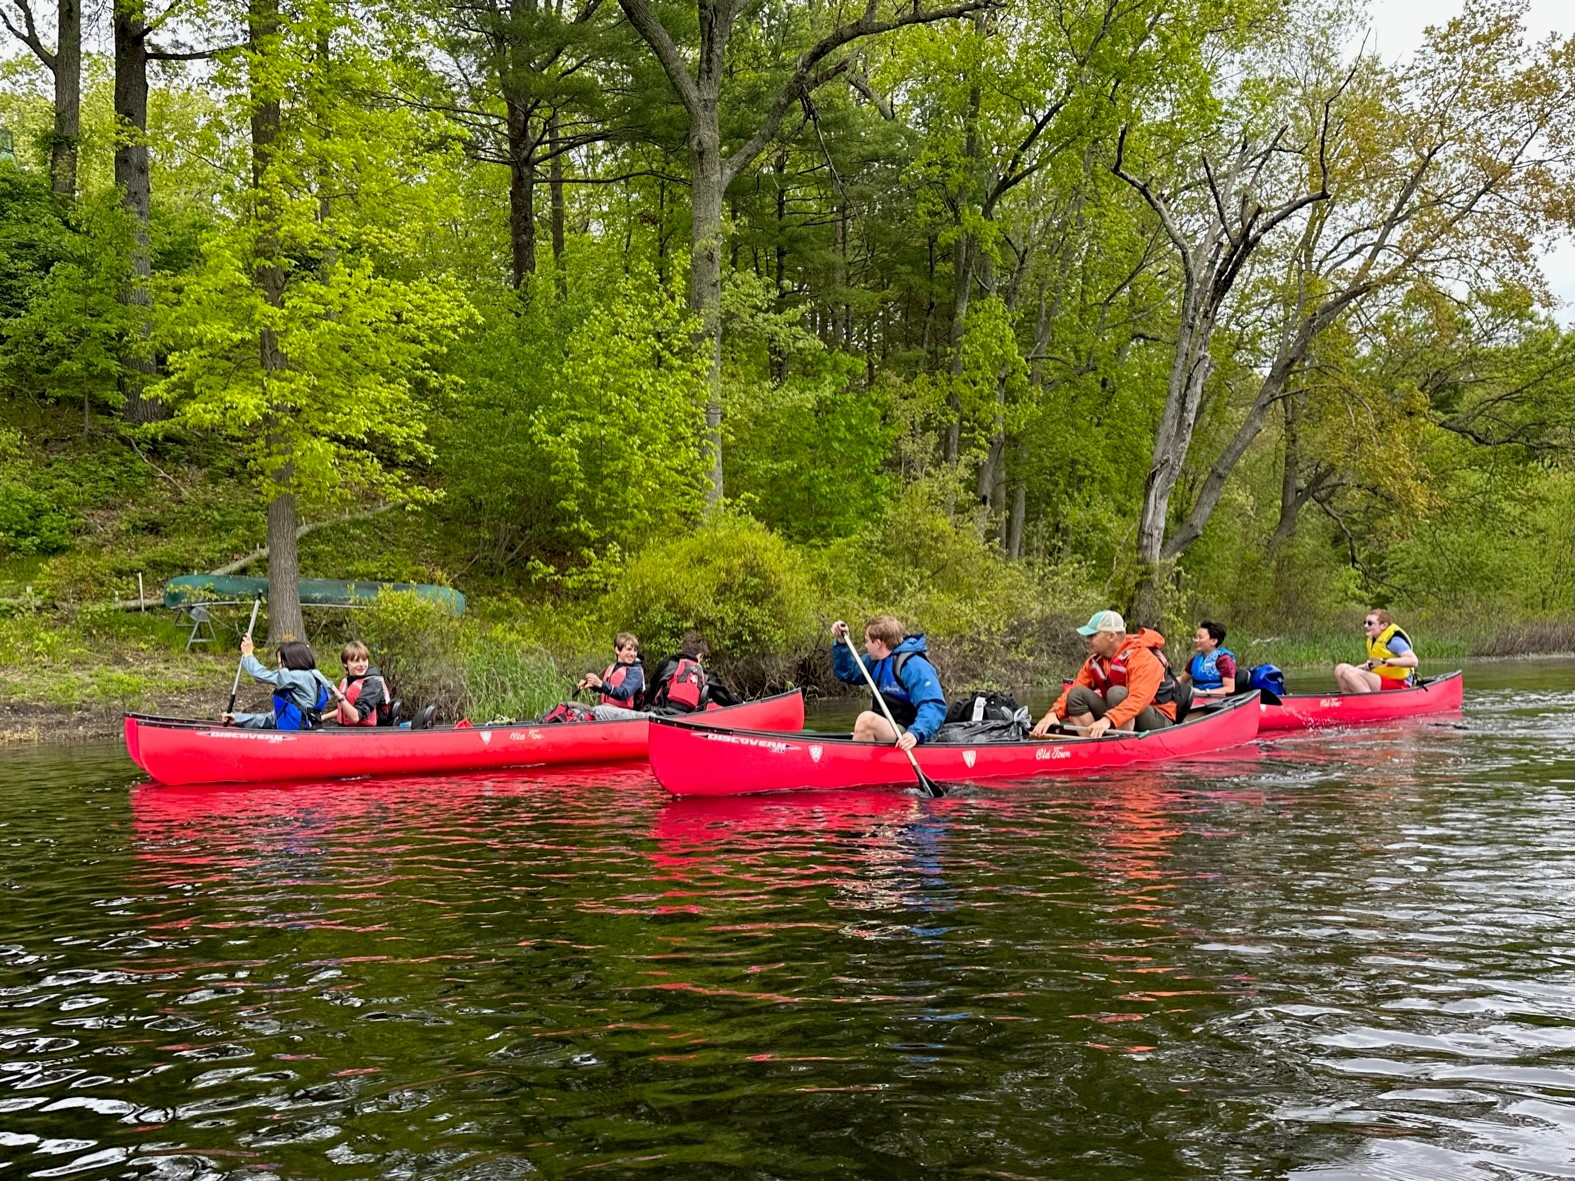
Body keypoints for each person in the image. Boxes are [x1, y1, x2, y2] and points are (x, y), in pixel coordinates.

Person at [1030, 610, 1178, 739]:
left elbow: (1138, 700)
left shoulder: (1142, 657)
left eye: (1092, 635)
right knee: (1075, 695)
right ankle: (1093, 744)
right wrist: (1053, 714)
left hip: (1158, 719)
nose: (1087, 640)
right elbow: (1073, 689)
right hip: (1117, 715)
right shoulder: (1095, 661)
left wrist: (1108, 719)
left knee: (1117, 693)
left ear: (1111, 636)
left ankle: (1121, 744)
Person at [830, 615, 946, 752]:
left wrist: (915, 733)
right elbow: (848, 672)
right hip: (889, 727)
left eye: (867, 641)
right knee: (866, 723)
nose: (865, 646)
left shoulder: (914, 665)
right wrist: (842, 642)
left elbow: (934, 705)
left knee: (866, 721)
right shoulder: (875, 661)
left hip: (909, 732)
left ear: (878, 643)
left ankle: (856, 769)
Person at [223, 634, 340, 730]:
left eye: (280, 663)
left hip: (299, 741)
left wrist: (248, 655)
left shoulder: (296, 676)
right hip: (309, 734)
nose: (279, 668)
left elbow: (259, 675)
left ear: (291, 662)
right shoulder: (315, 678)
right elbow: (274, 719)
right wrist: (238, 719)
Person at [643, 631, 741, 714]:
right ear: (700, 655)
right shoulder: (705, 676)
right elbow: (723, 696)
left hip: (661, 714)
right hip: (687, 719)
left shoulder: (668, 663)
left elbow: (652, 688)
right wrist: (740, 701)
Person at [1334, 608, 1418, 693]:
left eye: (1370, 623)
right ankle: (1349, 700)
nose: (1366, 626)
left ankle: (1369, 702)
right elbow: (1379, 663)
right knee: (1340, 669)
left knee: (1350, 674)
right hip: (1380, 679)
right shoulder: (1373, 640)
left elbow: (1413, 661)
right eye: (1365, 623)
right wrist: (1364, 666)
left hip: (1400, 683)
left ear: (1383, 626)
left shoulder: (1394, 641)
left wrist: (1384, 661)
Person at [578, 632, 645, 713]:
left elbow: (623, 693)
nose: (633, 654)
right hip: (610, 711)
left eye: (635, 650)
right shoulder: (613, 667)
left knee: (598, 710)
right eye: (629, 649)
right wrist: (593, 685)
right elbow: (607, 689)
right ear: (617, 650)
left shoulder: (635, 671)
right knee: (573, 708)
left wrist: (601, 684)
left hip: (628, 716)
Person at [332, 640, 389, 726]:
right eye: (356, 661)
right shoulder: (350, 680)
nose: (362, 664)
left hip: (371, 732)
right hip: (350, 728)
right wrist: (323, 717)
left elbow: (355, 717)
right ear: (345, 664)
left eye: (364, 660)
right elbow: (345, 709)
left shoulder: (373, 684)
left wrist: (337, 694)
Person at [1177, 620, 1236, 699]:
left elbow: (1229, 689)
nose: (1195, 640)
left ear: (1213, 641)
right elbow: (1182, 679)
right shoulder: (1195, 660)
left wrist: (1205, 693)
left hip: (1217, 702)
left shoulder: (1224, 660)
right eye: (1196, 637)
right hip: (1197, 700)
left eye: (1200, 637)